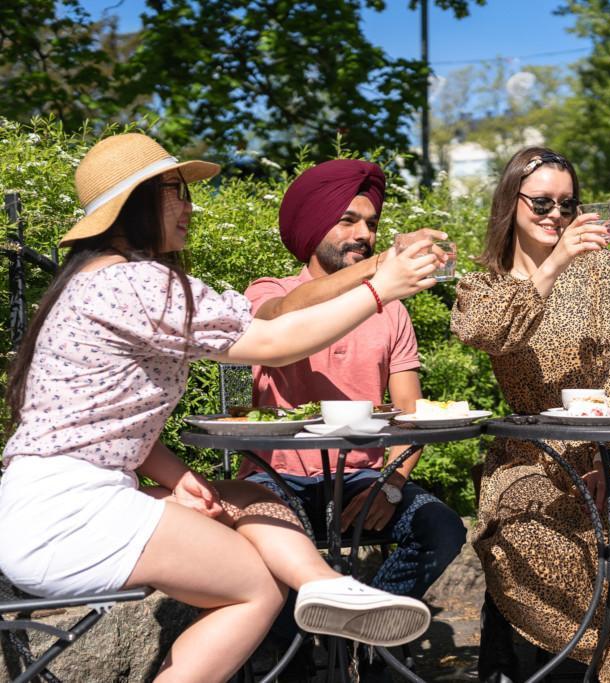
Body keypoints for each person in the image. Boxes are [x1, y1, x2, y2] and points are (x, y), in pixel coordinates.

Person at [0, 133, 443, 683]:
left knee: (247, 496)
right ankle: (322, 591)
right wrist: (383, 287)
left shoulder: (90, 280)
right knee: (255, 588)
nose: (189, 205)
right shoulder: (134, 283)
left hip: (54, 500)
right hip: (69, 517)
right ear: (136, 201)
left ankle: (327, 586)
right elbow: (274, 338)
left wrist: (178, 475)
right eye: (176, 191)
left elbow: (103, 422)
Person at [450, 147, 610, 682]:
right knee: (535, 526)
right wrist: (555, 262)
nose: (555, 216)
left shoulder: (598, 270)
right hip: (530, 455)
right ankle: (560, 658)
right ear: (510, 202)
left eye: (568, 204)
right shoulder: (485, 282)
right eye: (541, 202)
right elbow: (489, 334)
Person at [240, 159, 465, 610]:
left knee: (442, 529)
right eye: (348, 220)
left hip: (362, 478)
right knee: (270, 548)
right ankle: (299, 663)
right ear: (315, 225)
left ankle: (366, 634)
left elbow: (410, 413)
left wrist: (392, 484)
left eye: (372, 224)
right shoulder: (268, 290)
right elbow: (282, 315)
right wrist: (382, 268)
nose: (364, 234)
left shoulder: (393, 311)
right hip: (275, 480)